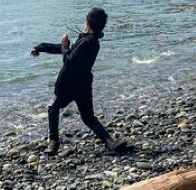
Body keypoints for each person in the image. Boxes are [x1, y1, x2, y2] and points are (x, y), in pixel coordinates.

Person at [31, 8, 126, 155]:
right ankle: (110, 143)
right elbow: (64, 51)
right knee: (88, 118)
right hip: (83, 85)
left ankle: (53, 142)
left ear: (87, 22)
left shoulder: (86, 42)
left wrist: (64, 44)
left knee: (53, 107)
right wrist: (41, 47)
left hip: (68, 85)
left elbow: (68, 59)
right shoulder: (91, 40)